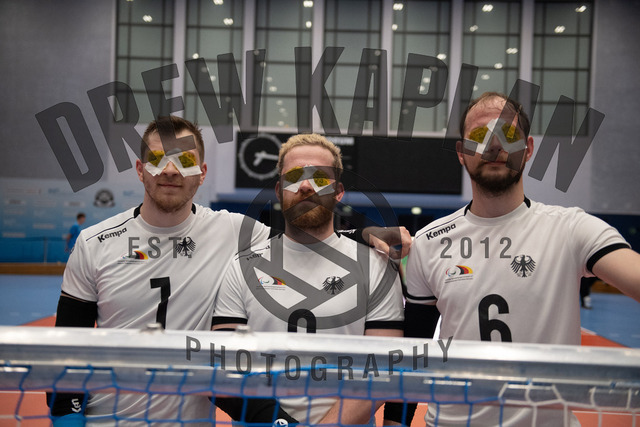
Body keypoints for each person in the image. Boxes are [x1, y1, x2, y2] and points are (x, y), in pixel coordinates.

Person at [49, 116, 410, 426]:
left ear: (202, 173)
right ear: (140, 169)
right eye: (157, 159)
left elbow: (308, 231)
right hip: (106, 418)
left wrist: (366, 234)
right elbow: (65, 356)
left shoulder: (233, 231)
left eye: (185, 160)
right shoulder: (94, 243)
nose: (171, 170)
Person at [385, 92, 640, 426]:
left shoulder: (572, 228)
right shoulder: (430, 242)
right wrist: (395, 423)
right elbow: (415, 350)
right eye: (480, 135)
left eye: (508, 135)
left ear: (528, 149)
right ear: (462, 152)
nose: (495, 145)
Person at [212, 133, 405, 425]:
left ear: (338, 192)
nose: (305, 186)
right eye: (294, 177)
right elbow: (225, 367)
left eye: (319, 179)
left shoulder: (376, 266)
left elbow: (382, 371)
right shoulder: (243, 266)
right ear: (279, 191)